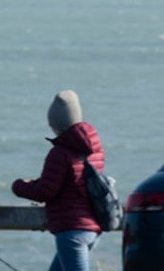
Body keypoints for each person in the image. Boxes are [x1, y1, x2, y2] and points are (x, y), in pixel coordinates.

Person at [11, 90, 104, 271]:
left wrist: (19, 186)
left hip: (71, 230)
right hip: (92, 225)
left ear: (56, 123)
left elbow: (44, 192)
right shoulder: (95, 150)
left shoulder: (60, 153)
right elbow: (74, 182)